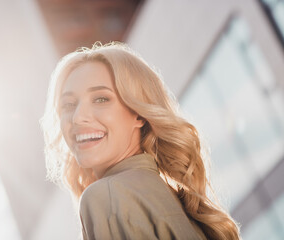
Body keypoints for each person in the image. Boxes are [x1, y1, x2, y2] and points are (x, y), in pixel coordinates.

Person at [41, 42, 241, 240]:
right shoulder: (171, 198)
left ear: (138, 113)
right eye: (68, 104)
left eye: (101, 99)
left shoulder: (107, 195)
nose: (77, 117)